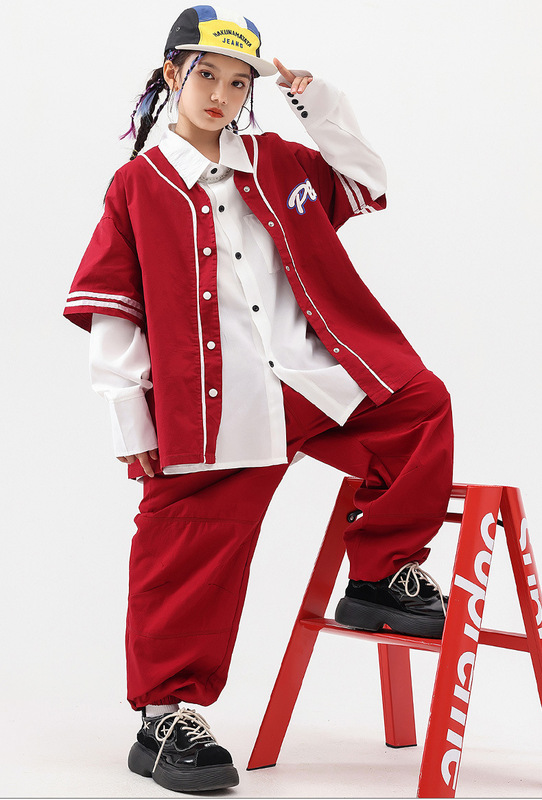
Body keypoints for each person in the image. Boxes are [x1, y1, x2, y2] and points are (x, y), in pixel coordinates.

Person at [63, 4, 453, 793]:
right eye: (206, 75)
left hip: (311, 378)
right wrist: (130, 416)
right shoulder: (139, 185)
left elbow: (367, 181)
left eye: (239, 82)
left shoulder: (278, 161)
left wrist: (312, 97)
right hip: (217, 407)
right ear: (172, 75)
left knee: (418, 407)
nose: (221, 94)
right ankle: (165, 719)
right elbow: (114, 307)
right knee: (185, 552)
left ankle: (379, 577)